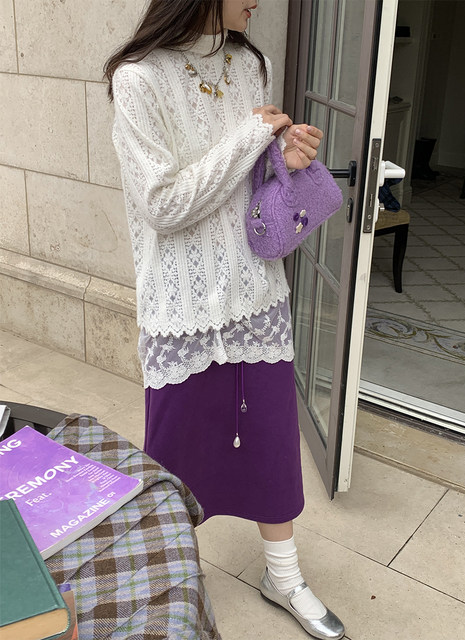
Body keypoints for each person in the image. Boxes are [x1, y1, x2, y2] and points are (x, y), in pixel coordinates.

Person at [104, 1, 345, 638]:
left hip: (254, 295)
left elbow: (248, 184)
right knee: (176, 456)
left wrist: (283, 158)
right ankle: (168, 583)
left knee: (270, 441)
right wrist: (248, 139)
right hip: (182, 307)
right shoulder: (137, 79)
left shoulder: (248, 65)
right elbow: (162, 204)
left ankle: (284, 576)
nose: (258, 1)